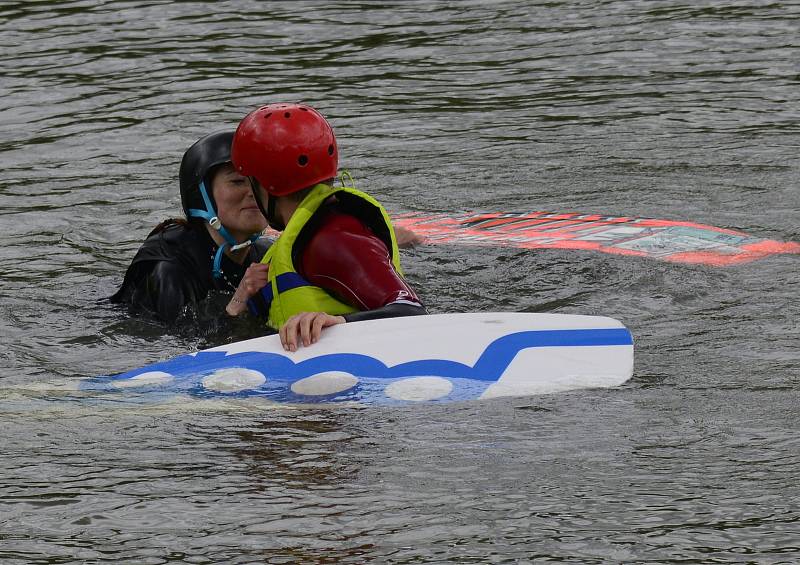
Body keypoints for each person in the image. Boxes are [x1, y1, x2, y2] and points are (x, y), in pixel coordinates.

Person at [225, 103, 427, 351]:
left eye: (249, 182)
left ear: (265, 185)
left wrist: (341, 323)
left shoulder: (334, 238)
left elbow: (411, 310)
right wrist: (239, 303)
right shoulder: (302, 237)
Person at [110, 131, 271, 323]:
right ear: (200, 197)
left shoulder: (267, 254)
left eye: (259, 180)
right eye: (237, 181)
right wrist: (238, 303)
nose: (254, 192)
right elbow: (180, 346)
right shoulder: (169, 271)